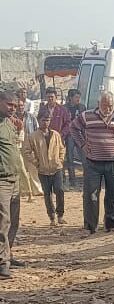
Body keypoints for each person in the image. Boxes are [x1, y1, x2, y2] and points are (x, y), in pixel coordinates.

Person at [71, 91, 114, 234]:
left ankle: (111, 224)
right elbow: (73, 128)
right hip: (93, 163)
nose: (108, 108)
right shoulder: (86, 116)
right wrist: (82, 144)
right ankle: (90, 226)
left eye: (110, 105)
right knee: (91, 195)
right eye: (104, 105)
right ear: (98, 104)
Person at [23, 111, 66, 226]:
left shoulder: (55, 134)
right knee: (47, 194)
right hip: (43, 171)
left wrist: (60, 160)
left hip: (56, 168)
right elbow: (27, 151)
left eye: (47, 120)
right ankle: (52, 217)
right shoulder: (33, 136)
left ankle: (60, 215)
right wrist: (36, 163)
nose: (45, 122)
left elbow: (62, 148)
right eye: (43, 120)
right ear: (38, 120)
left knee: (59, 191)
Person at [0, 91, 21, 279]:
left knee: (14, 221)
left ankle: (8, 254)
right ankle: (2, 263)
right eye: (9, 104)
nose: (13, 108)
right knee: (3, 223)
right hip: (2, 181)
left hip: (15, 179)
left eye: (15, 105)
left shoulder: (9, 123)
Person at [64, 89, 86, 187]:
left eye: (79, 97)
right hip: (69, 135)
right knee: (70, 158)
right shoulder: (65, 108)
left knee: (84, 156)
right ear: (70, 98)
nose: (78, 99)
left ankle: (87, 177)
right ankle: (72, 180)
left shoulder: (82, 107)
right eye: (76, 97)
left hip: (80, 134)